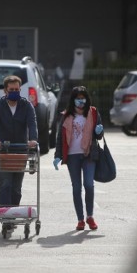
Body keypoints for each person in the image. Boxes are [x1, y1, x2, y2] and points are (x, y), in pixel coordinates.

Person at [53, 86, 104, 231]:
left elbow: (99, 135)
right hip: (72, 156)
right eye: (78, 98)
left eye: (83, 98)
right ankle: (80, 219)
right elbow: (59, 137)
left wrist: (99, 131)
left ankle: (90, 216)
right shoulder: (66, 115)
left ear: (87, 99)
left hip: (88, 154)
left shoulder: (93, 113)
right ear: (73, 100)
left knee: (89, 185)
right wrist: (57, 156)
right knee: (76, 188)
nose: (81, 101)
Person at [0, 75, 38, 209]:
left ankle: (13, 213)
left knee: (16, 187)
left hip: (20, 151)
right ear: (5, 91)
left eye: (17, 89)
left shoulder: (26, 105)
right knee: (6, 183)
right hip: (3, 151)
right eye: (11, 89)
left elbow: (32, 124)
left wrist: (33, 139)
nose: (15, 92)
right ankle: (6, 216)